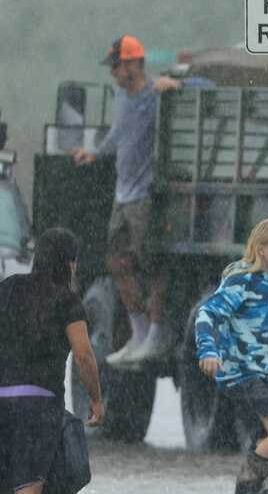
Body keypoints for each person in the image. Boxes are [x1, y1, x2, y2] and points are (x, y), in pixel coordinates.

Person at [72, 34, 212, 367]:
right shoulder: (120, 96)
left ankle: (156, 334)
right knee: (118, 263)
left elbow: (206, 84)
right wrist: (95, 154)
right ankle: (138, 333)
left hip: (144, 198)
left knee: (150, 264)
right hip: (123, 196)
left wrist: (178, 82)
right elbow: (117, 136)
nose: (113, 73)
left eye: (117, 66)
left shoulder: (154, 95)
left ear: (134, 64)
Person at [0, 228, 104, 494]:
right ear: (71, 262)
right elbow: (83, 354)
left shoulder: (9, 288)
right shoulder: (66, 299)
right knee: (28, 487)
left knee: (1, 489)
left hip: (1, 397)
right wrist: (95, 398)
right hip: (37, 401)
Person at [194, 219, 268, 494]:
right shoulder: (242, 280)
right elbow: (207, 314)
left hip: (262, 374)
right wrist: (208, 351)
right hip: (240, 373)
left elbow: (260, 337)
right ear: (262, 250)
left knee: (265, 439)